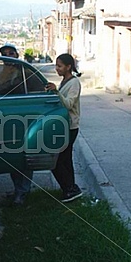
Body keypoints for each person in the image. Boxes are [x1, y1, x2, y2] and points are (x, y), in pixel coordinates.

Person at [0, 43, 33, 204]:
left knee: (25, 156)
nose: (8, 56)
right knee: (11, 154)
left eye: (11, 53)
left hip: (24, 116)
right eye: (5, 54)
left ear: (17, 55)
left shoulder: (26, 72)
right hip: (8, 118)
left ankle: (23, 192)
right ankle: (17, 189)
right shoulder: (4, 72)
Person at [45, 53, 83, 203]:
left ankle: (69, 188)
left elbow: (68, 104)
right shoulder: (65, 81)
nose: (57, 69)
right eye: (56, 65)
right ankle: (70, 189)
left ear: (68, 67)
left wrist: (56, 91)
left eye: (60, 66)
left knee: (58, 160)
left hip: (71, 126)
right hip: (64, 124)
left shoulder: (74, 83)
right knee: (66, 160)